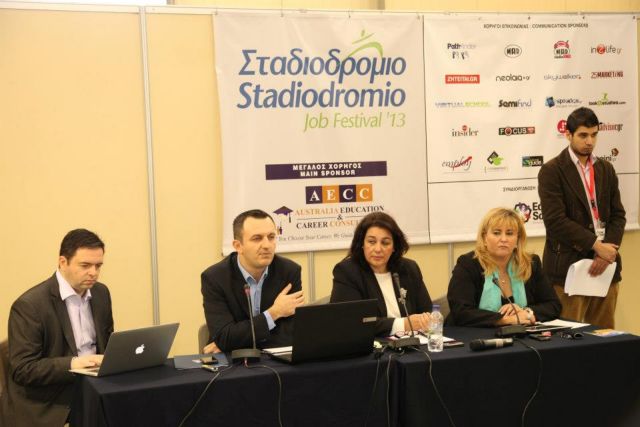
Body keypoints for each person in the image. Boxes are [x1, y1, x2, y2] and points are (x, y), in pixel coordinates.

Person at [7, 229, 114, 427]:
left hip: (94, 386)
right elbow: (23, 370)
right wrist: (75, 364)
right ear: (63, 262)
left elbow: (106, 344)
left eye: (98, 266)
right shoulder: (30, 305)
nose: (94, 273)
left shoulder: (101, 293)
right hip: (52, 398)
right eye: (85, 265)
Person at [538, 107, 625, 328]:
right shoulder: (552, 170)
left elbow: (618, 215)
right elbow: (555, 221)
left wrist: (606, 252)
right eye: (583, 135)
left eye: (594, 135)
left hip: (605, 266)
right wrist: (596, 246)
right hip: (569, 266)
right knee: (567, 337)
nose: (589, 141)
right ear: (568, 134)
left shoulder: (606, 169)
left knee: (605, 335)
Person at [201, 209, 304, 353]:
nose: (267, 245)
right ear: (238, 246)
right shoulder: (215, 278)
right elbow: (224, 336)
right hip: (231, 362)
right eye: (257, 238)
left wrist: (233, 343)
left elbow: (291, 335)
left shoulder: (289, 271)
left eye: (271, 237)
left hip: (274, 359)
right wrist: (273, 313)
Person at [447, 208, 561, 327]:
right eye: (496, 233)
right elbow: (461, 312)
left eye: (509, 233)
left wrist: (526, 312)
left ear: (518, 239)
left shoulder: (530, 263)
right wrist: (506, 320)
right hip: (471, 335)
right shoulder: (468, 264)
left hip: (519, 335)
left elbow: (553, 305)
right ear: (484, 238)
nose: (504, 239)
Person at [330, 212, 433, 336]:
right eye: (371, 242)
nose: (378, 249)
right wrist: (403, 324)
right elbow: (352, 322)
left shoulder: (409, 269)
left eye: (385, 243)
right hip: (371, 345)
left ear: (394, 246)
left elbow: (427, 312)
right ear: (362, 244)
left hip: (412, 343)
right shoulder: (348, 272)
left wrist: (426, 321)